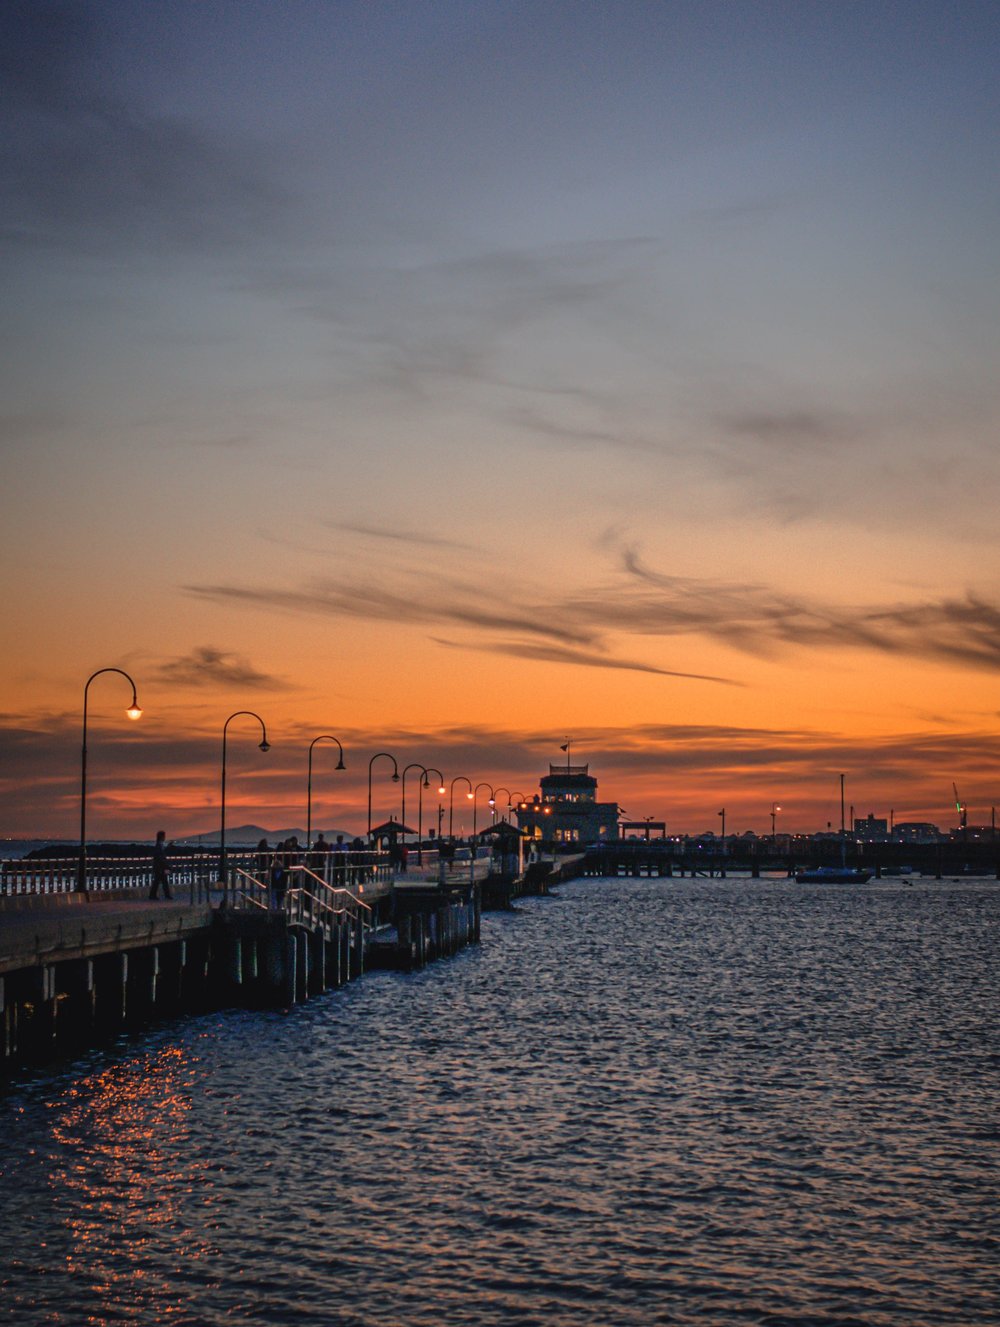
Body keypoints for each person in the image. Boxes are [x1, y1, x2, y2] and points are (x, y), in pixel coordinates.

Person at [150, 830, 172, 900]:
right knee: (160, 881)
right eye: (164, 836)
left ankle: (155, 895)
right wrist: (165, 865)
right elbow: (160, 856)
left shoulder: (160, 844)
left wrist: (167, 847)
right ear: (161, 836)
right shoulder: (159, 845)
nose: (165, 837)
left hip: (160, 867)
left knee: (160, 881)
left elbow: (161, 853)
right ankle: (165, 895)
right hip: (160, 867)